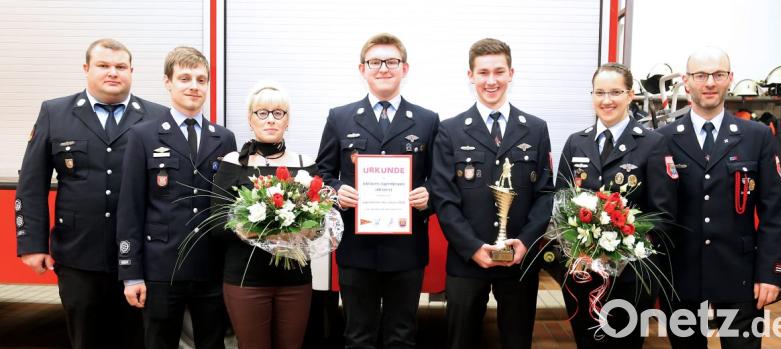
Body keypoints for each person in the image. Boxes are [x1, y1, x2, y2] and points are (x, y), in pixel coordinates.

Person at [15, 38, 164, 349]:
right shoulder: (55, 113)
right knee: (86, 338)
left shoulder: (156, 117)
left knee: (137, 339)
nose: (113, 73)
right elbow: (32, 182)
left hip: (140, 256)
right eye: (103, 66)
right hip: (78, 255)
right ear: (86, 69)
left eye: (120, 67)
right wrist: (31, 243)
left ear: (131, 71)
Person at [315, 32, 439, 348]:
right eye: (375, 62)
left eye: (392, 61)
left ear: (405, 68)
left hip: (407, 250)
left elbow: (440, 180)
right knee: (357, 336)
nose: (383, 68)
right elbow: (322, 175)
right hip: (357, 249)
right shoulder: (340, 117)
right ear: (362, 69)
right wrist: (337, 191)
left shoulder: (427, 120)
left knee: (402, 335)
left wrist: (428, 196)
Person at [657, 47, 781, 348]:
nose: (710, 83)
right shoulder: (663, 138)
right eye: (701, 75)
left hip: (740, 275)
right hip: (682, 275)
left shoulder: (756, 136)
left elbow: (773, 212)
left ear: (730, 78)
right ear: (686, 82)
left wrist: (771, 273)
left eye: (717, 74)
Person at [430, 38, 554, 349]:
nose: (491, 81)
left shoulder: (536, 129)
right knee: (461, 340)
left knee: (517, 340)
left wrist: (525, 243)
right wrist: (472, 247)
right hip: (466, 261)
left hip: (519, 260)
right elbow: (444, 199)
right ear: (470, 76)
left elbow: (545, 193)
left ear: (511, 73)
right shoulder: (450, 130)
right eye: (483, 72)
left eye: (499, 71)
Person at [116, 46, 236, 349]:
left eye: (200, 79)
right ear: (168, 82)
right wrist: (131, 274)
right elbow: (130, 207)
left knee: (212, 343)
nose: (194, 86)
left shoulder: (224, 138)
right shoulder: (143, 135)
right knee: (159, 342)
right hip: (161, 268)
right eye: (185, 78)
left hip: (211, 267)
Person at [555, 63, 677, 348]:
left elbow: (664, 213)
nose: (606, 100)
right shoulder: (576, 143)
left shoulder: (652, 143)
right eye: (599, 92)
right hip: (583, 272)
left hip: (631, 276)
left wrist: (622, 248)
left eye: (615, 92)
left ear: (630, 95)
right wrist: (577, 251)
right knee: (586, 341)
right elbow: (560, 203)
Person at [209, 81, 314, 349]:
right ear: (250, 119)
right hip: (246, 280)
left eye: (278, 113)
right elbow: (217, 223)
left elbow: (320, 221)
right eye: (262, 113)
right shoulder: (233, 163)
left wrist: (307, 228)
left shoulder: (304, 164)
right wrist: (251, 229)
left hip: (295, 280)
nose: (270, 120)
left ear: (287, 120)